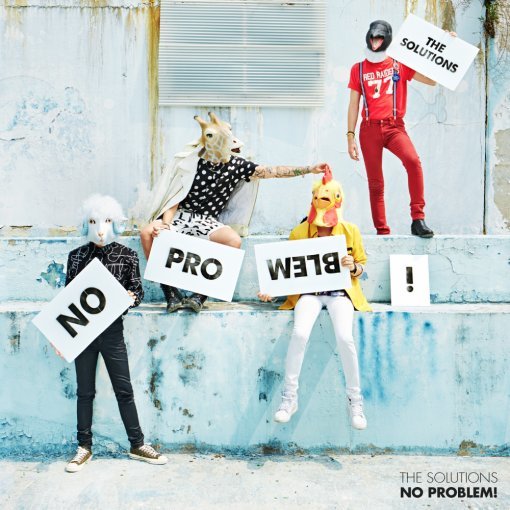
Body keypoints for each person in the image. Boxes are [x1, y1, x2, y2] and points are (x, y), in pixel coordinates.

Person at [141, 112, 329, 313]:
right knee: (147, 233)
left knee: (233, 241)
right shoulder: (191, 162)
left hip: (207, 220)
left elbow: (272, 171)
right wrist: (166, 224)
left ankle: (200, 296)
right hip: (181, 216)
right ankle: (171, 293)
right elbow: (175, 196)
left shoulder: (238, 165)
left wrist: (309, 169)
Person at [57, 194, 167, 472]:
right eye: (94, 222)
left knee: (124, 389)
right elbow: (67, 300)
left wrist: (132, 297)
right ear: (87, 224)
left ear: (115, 223)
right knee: (85, 392)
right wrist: (62, 337)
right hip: (83, 334)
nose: (100, 229)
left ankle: (137, 444)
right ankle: (84, 447)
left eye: (106, 221)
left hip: (112, 332)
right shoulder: (76, 257)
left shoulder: (128, 256)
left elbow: (137, 290)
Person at [258, 169, 371, 429]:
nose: (322, 202)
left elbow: (363, 269)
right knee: (299, 334)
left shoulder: (350, 231)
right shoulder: (300, 232)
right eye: (318, 197)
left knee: (345, 337)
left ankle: (355, 401)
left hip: (340, 295)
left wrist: (353, 266)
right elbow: (288, 271)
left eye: (327, 198)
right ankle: (289, 398)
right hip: (310, 294)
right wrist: (271, 290)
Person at [347, 19, 438, 237]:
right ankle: (382, 231)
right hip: (369, 129)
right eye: (373, 36)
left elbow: (432, 80)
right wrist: (350, 136)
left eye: (380, 37)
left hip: (394, 127)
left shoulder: (400, 64)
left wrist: (445, 43)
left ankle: (418, 219)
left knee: (413, 162)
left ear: (387, 38)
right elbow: (353, 104)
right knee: (376, 183)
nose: (375, 40)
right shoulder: (358, 69)